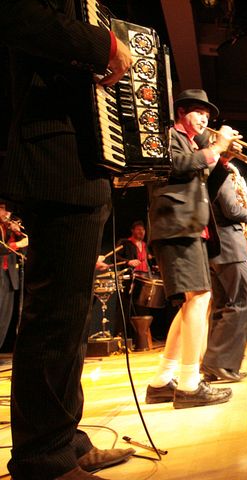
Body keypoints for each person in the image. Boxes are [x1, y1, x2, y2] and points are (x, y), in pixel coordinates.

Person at [0, 3, 136, 478]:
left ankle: (63, 441)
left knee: (72, 320)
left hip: (79, 160)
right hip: (54, 157)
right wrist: (104, 45)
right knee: (55, 320)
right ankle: (43, 459)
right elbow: (15, 16)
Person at [144, 89, 235, 409]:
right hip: (176, 227)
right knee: (200, 298)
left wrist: (221, 158)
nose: (205, 120)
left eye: (208, 117)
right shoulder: (167, 136)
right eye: (199, 113)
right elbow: (177, 165)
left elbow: (199, 178)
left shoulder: (194, 144)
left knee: (192, 302)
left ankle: (162, 381)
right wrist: (216, 147)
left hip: (187, 228)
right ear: (182, 112)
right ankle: (189, 384)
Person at [201, 161, 247, 383]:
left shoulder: (205, 174)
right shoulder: (221, 173)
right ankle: (219, 363)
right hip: (229, 247)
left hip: (216, 249)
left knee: (222, 307)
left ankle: (215, 366)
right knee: (244, 301)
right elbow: (231, 209)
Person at [0, 204, 27, 349]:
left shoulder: (9, 228)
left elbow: (25, 248)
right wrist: (17, 244)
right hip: (1, 276)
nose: (7, 213)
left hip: (9, 276)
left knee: (5, 318)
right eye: (4, 209)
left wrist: (17, 234)